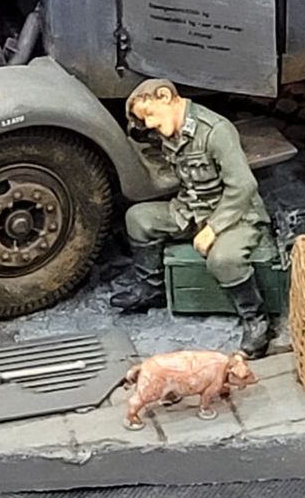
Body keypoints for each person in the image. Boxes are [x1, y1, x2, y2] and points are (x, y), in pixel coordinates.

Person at [110, 79, 275, 358]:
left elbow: (243, 186)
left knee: (223, 259)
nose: (149, 124)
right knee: (138, 219)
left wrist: (214, 228)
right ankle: (152, 290)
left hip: (234, 213)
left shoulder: (215, 131)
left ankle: (255, 319)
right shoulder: (169, 132)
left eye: (149, 114)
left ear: (166, 97)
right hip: (191, 208)